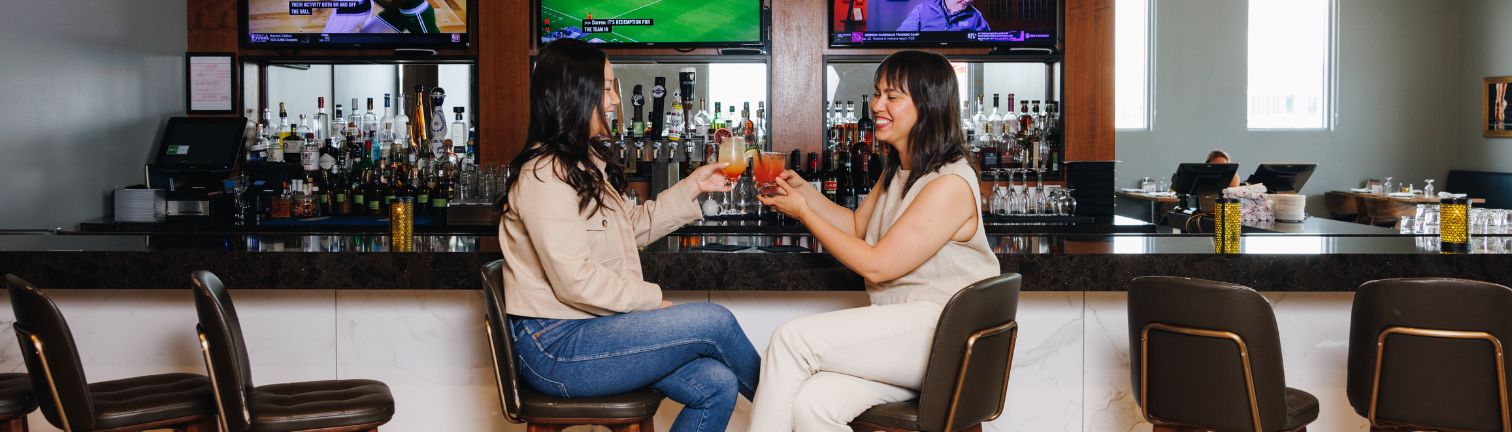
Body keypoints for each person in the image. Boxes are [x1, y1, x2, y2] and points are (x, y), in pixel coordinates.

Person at [498, 39, 760, 432]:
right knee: (715, 322)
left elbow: (631, 226)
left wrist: (693, 186)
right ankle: (795, 413)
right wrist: (650, 301)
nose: (615, 100)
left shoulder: (583, 163)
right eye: (605, 88)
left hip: (591, 330)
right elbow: (575, 281)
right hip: (556, 347)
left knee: (717, 384)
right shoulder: (545, 175)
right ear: (574, 91)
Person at [751, 50, 998, 431]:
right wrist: (804, 194)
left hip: (942, 337)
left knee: (790, 341)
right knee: (812, 404)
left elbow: (876, 263)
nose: (877, 105)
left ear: (928, 107)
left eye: (892, 97)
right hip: (905, 331)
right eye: (877, 93)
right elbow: (856, 227)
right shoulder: (901, 168)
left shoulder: (948, 183)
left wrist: (804, 213)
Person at [896, 0, 991, 32]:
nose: (968, 0)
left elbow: (987, 46)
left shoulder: (976, 16)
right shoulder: (922, 9)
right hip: (923, 60)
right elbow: (902, 37)